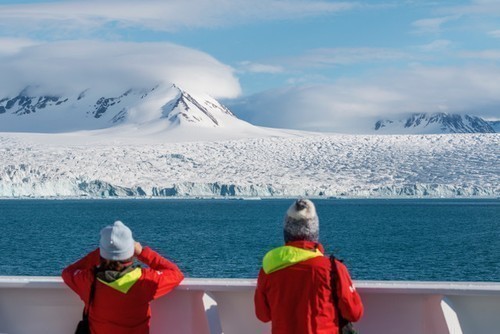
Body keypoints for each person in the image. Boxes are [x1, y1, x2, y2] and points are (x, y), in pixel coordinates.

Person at [254, 199, 363, 334]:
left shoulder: (268, 269)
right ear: (314, 234)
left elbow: (263, 315)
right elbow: (354, 313)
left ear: (286, 233)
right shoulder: (333, 269)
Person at [62, 220, 184, 334]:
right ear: (131, 251)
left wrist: (99, 254)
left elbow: (68, 272)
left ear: (101, 253)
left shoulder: (88, 281)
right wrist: (143, 252)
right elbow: (176, 273)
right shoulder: (145, 281)